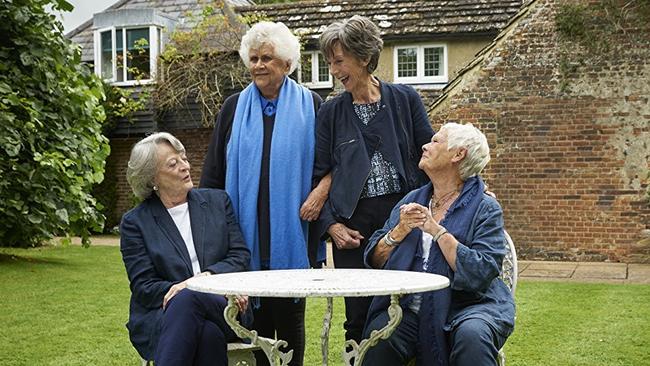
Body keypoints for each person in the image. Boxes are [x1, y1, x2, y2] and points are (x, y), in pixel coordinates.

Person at [200, 21, 328, 366]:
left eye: (267, 58)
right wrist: (210, 231)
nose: (258, 65)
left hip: (291, 234)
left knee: (289, 327)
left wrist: (319, 193)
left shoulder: (312, 105)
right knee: (251, 331)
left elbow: (329, 165)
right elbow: (213, 174)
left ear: (287, 64)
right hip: (245, 234)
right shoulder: (232, 108)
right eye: (253, 58)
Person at [313, 15, 434, 343]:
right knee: (357, 318)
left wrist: (469, 185)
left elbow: (431, 156)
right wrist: (331, 226)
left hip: (402, 218)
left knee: (408, 308)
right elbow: (318, 175)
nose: (334, 72)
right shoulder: (331, 112)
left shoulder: (405, 100)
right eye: (329, 63)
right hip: (353, 228)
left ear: (365, 57)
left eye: (339, 61)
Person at [362, 123, 516, 366]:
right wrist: (399, 231)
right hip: (410, 305)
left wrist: (436, 231)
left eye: (436, 141)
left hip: (469, 304)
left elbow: (483, 270)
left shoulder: (485, 207)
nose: (425, 145)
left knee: (472, 336)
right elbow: (375, 258)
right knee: (380, 336)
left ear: (458, 154)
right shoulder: (412, 200)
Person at [120, 132, 251, 365]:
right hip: (163, 315)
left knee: (190, 296)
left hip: (224, 305)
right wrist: (185, 291)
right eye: (173, 163)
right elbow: (144, 286)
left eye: (184, 158)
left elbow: (239, 256)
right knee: (208, 334)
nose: (185, 166)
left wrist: (199, 282)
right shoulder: (135, 222)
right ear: (152, 179)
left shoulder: (218, 202)